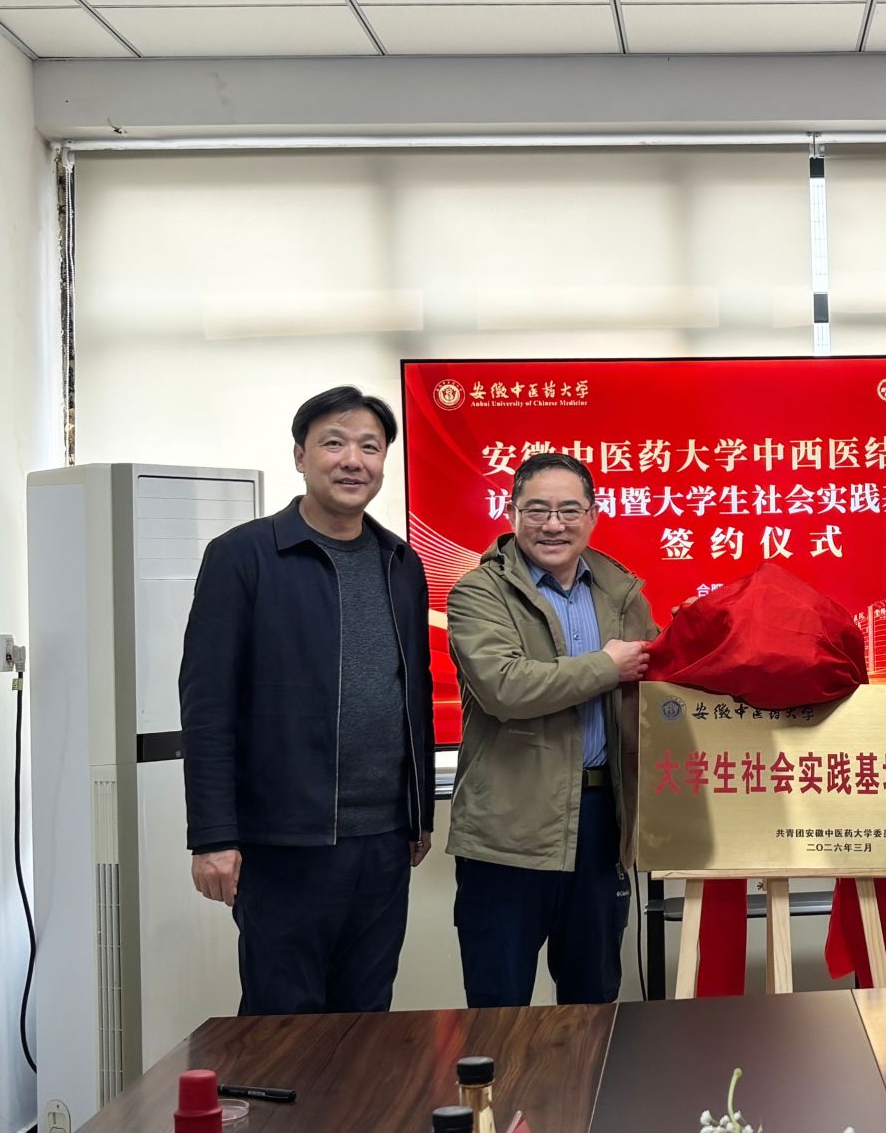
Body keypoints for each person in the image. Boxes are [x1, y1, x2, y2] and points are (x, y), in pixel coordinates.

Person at [180, 385, 435, 1015]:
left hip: (384, 840)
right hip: (284, 840)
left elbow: (415, 691)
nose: (353, 460)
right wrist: (212, 836)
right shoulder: (243, 556)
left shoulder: (400, 562)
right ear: (300, 456)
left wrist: (419, 812)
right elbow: (207, 705)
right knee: (282, 1022)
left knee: (366, 1017)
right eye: (333, 443)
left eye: (369, 447)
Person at [444, 452, 657, 1007]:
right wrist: (606, 667)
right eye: (537, 510)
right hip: (508, 829)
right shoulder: (478, 592)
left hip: (602, 822)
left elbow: (659, 686)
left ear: (593, 515)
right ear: (512, 513)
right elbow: (505, 687)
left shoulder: (622, 595)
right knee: (498, 1005)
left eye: (569, 510)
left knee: (592, 1002)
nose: (553, 525)